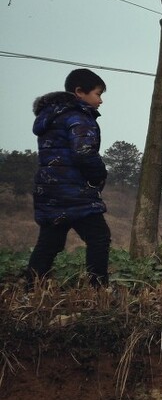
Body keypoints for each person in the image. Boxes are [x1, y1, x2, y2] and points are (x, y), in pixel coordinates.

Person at [26, 68, 112, 289]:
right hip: (75, 192)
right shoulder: (78, 116)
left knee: (49, 242)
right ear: (79, 92)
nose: (100, 100)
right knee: (99, 237)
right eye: (98, 94)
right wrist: (99, 176)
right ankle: (99, 289)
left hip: (49, 191)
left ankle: (32, 290)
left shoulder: (50, 118)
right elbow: (84, 152)